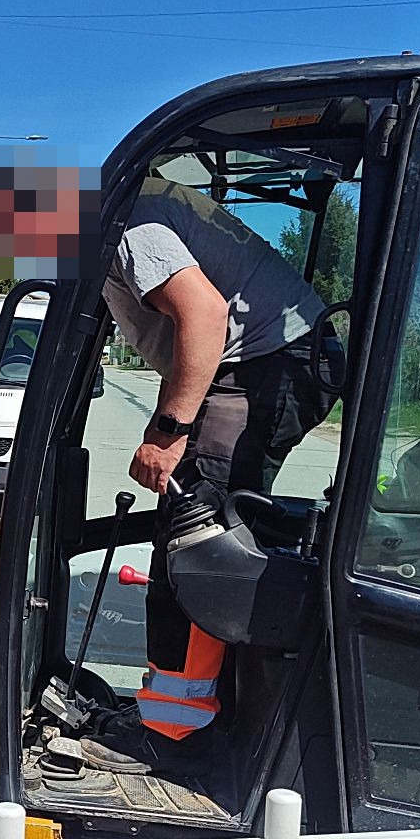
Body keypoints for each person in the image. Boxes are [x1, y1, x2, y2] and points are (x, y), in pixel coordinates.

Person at [96, 178, 332, 764]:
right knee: (200, 526)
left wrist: (167, 431)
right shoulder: (114, 218)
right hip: (269, 359)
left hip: (271, 361)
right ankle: (204, 714)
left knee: (196, 534)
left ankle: (178, 736)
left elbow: (204, 314)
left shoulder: (129, 228)